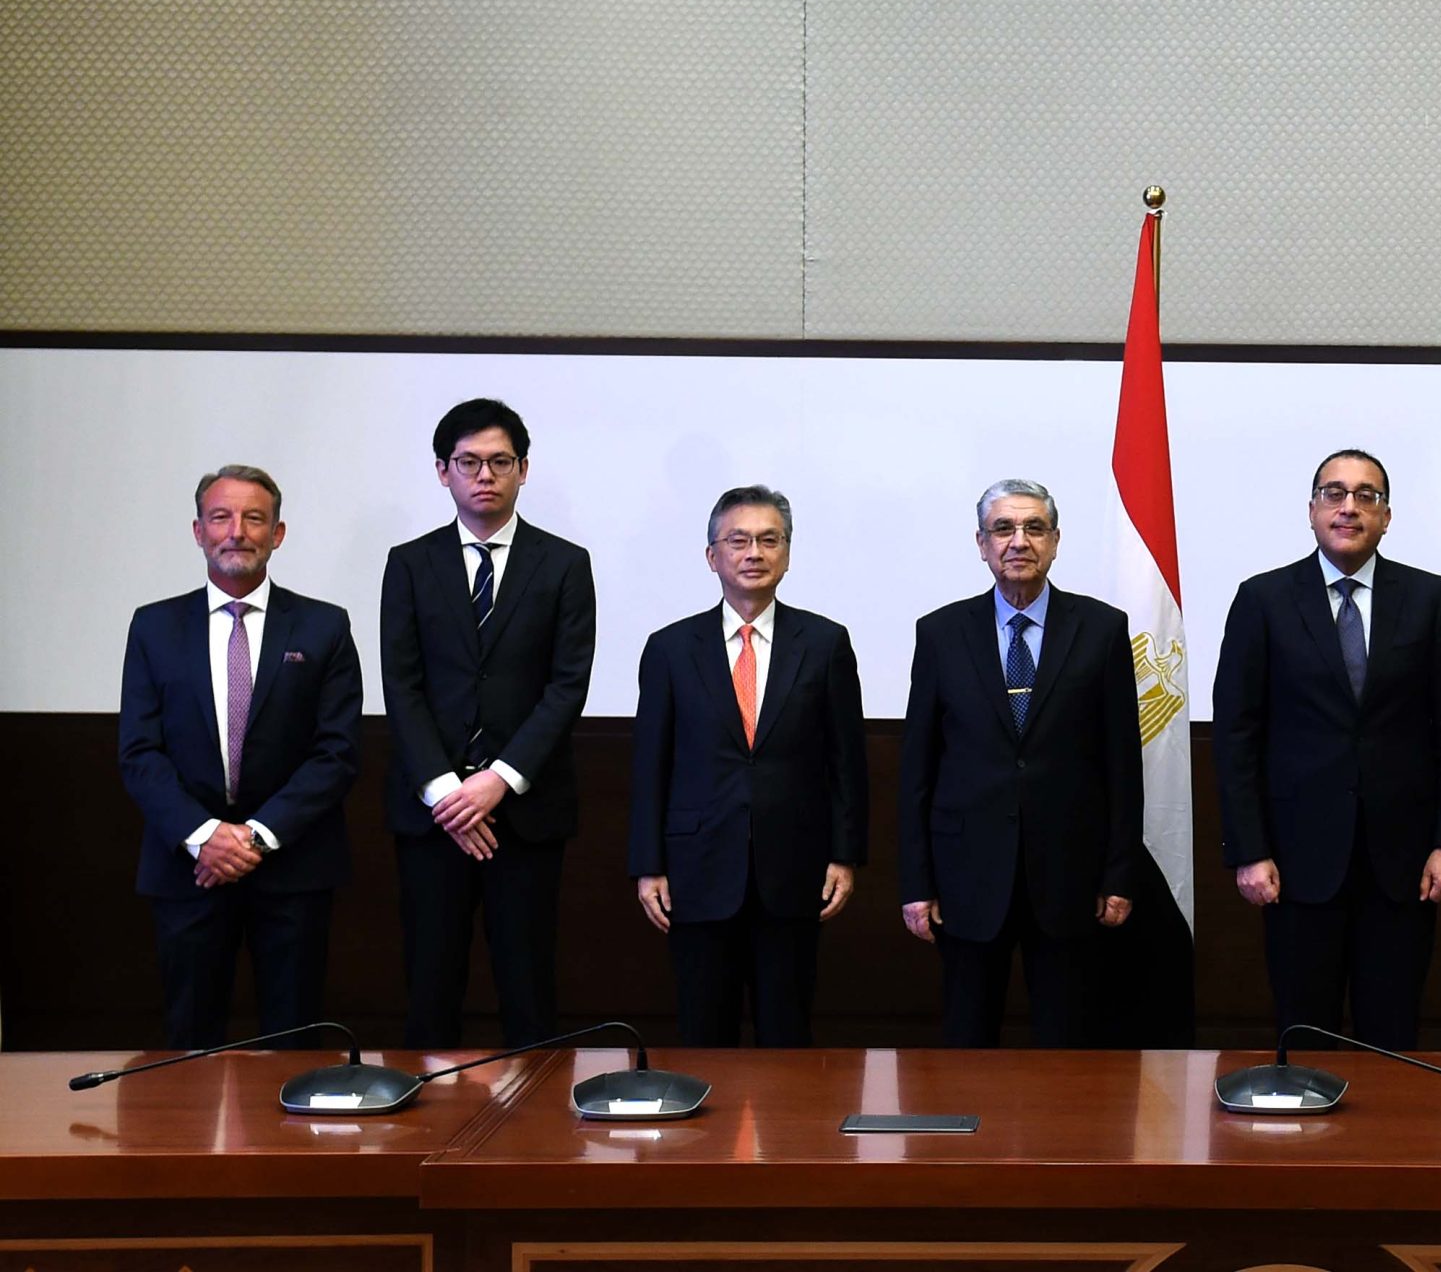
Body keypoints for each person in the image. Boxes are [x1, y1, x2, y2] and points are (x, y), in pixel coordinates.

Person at [1213, 448, 1441, 1051]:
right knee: (1305, 1033)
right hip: (1295, 864)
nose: (1349, 507)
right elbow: (1236, 736)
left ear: (1387, 516)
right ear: (1312, 510)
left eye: (1366, 496)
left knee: (1393, 1036)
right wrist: (1249, 850)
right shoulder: (1263, 599)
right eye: (1334, 494)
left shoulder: (1430, 597)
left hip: (1404, 865)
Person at [118, 466, 361, 1048]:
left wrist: (253, 837)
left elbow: (336, 752)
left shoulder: (324, 626)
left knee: (294, 1041)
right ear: (198, 531)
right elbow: (139, 751)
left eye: (254, 519)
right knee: (190, 1042)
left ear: (277, 534)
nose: (237, 532)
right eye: (221, 517)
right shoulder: (154, 626)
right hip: (188, 867)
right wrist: (206, 836)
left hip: (294, 864)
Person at [380, 398, 596, 1048]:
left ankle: (536, 1116)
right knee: (430, 986)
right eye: (468, 462)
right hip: (433, 817)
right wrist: (448, 792)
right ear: (442, 471)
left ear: (523, 469)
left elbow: (566, 686)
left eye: (500, 462)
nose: (484, 475)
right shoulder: (410, 563)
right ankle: (423, 1113)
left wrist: (498, 780)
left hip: (525, 813)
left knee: (528, 990)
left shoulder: (563, 564)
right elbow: (402, 685)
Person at [899, 480, 1142, 1046]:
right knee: (967, 1043)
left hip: (1069, 878)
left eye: (1034, 528)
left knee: (1067, 1046)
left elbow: (1123, 767)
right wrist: (916, 882)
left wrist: (1118, 875)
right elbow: (917, 771)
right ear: (981, 544)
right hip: (966, 878)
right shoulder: (940, 633)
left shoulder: (1102, 629)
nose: (1018, 541)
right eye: (1003, 529)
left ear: (1055, 541)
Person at [629, 486, 866, 1047]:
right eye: (738, 541)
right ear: (712, 556)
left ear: (787, 553)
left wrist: (844, 854)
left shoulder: (825, 643)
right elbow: (650, 765)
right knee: (703, 1035)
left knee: (787, 1034)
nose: (754, 552)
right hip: (696, 870)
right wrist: (648, 865)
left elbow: (847, 762)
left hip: (795, 871)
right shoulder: (670, 648)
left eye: (769, 540)